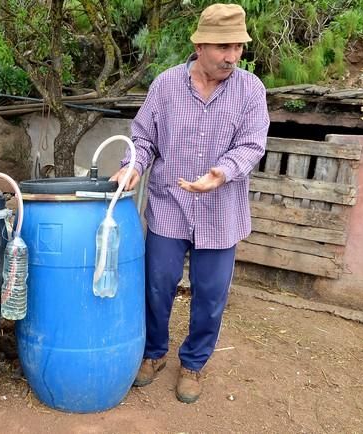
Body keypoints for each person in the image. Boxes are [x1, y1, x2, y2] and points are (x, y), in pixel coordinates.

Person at [110, 3, 269, 404]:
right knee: (157, 285)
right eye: (223, 47)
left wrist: (223, 172)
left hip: (221, 212)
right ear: (199, 45)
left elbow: (253, 144)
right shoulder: (165, 85)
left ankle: (194, 364)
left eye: (238, 47)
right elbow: (144, 138)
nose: (232, 57)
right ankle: (154, 354)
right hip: (169, 206)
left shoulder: (251, 90)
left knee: (211, 295)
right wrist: (132, 166)